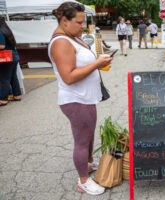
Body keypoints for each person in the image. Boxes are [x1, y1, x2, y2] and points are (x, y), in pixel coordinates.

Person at [48, 2, 112, 195]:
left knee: (88, 135)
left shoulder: (71, 36)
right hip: (75, 99)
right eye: (79, 22)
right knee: (82, 140)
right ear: (64, 21)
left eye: (83, 21)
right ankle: (83, 181)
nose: (82, 26)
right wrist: (96, 64)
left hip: (85, 97)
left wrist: (99, 63)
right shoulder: (61, 42)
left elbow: (83, 63)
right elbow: (68, 77)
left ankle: (88, 164)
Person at [0, 18, 21, 106]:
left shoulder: (0, 31)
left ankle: (3, 100)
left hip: (6, 58)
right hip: (13, 56)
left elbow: (1, 46)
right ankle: (17, 95)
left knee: (4, 79)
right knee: (13, 77)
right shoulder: (7, 30)